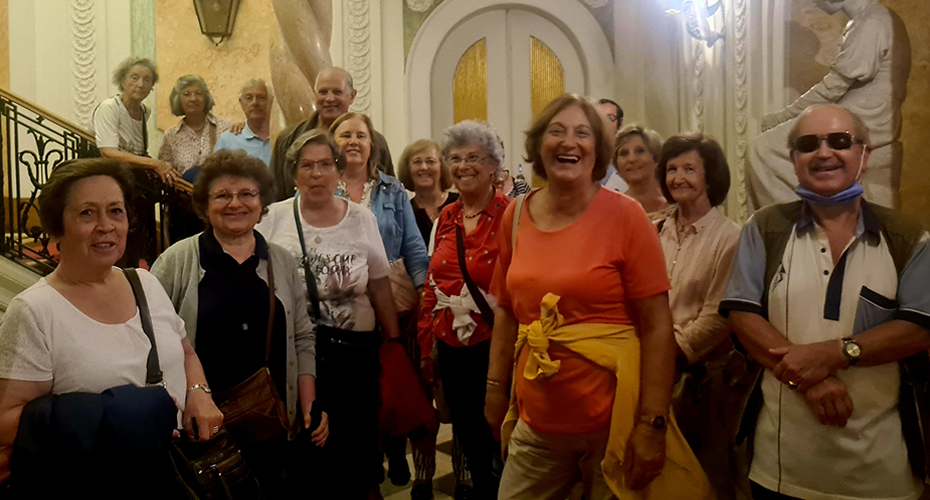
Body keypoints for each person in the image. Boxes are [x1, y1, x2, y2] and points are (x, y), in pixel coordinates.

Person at [485, 94, 711, 500]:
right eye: (556, 131)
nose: (568, 142)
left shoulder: (627, 216)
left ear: (598, 150)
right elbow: (506, 311)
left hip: (614, 423)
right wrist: (493, 387)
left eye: (582, 133)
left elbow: (658, 326)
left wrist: (652, 424)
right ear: (539, 145)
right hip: (537, 419)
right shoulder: (515, 215)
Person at [720, 104, 930, 500]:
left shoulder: (908, 237)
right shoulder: (763, 228)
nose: (824, 153)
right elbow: (742, 315)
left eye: (840, 141)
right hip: (780, 468)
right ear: (794, 161)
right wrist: (809, 379)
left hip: (881, 472)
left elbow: (919, 328)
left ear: (864, 155)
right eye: (808, 144)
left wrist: (837, 352)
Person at [0, 158, 221, 498]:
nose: (106, 226)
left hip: (171, 472)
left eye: (115, 211)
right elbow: (7, 421)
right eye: (87, 213)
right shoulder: (35, 311)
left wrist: (199, 393)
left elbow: (186, 353)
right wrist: (121, 420)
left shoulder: (145, 283)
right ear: (57, 228)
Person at [150, 150, 325, 498]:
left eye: (247, 194)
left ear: (261, 203)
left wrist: (308, 403)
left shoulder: (280, 261)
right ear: (204, 205)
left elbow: (302, 337)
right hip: (202, 429)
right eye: (223, 195)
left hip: (269, 422)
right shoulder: (177, 261)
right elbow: (153, 340)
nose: (235, 203)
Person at [256, 129, 401, 500]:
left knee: (355, 447)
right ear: (294, 173)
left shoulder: (361, 218)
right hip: (297, 356)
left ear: (338, 170)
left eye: (325, 164)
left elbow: (379, 285)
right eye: (307, 166)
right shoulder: (273, 218)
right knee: (309, 448)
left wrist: (395, 341)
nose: (316, 174)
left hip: (355, 357)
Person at [416, 121, 511, 500]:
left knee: (500, 435)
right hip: (451, 346)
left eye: (474, 157)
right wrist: (427, 348)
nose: (463, 166)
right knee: (468, 434)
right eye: (455, 158)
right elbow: (431, 284)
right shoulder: (447, 216)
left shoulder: (512, 215)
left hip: (497, 345)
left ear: (493, 166)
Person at [747, 0, 911, 210]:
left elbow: (833, 87)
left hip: (866, 119)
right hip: (860, 115)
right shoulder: (868, 19)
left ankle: (797, 221)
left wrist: (784, 116)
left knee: (763, 150)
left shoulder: (872, 22)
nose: (815, 3)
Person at [654, 133, 741, 500]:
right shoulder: (653, 229)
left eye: (690, 169)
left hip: (701, 382)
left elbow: (721, 315)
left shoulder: (731, 237)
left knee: (704, 478)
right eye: (672, 169)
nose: (678, 178)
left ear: (710, 177)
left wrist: (668, 352)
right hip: (650, 371)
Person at [91, 57, 176, 266]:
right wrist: (155, 164)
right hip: (108, 173)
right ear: (122, 82)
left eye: (147, 80)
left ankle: (141, 262)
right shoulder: (110, 108)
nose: (140, 84)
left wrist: (159, 166)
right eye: (134, 78)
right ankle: (122, 264)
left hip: (132, 174)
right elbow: (108, 152)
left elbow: (138, 150)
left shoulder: (145, 111)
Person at [270, 67, 394, 200]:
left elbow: (389, 192)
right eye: (323, 92)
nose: (329, 98)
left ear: (352, 96)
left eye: (337, 92)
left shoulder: (375, 142)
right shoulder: (288, 139)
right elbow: (273, 192)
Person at [158, 75, 232, 175]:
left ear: (206, 98)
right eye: (186, 94)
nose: (193, 99)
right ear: (178, 100)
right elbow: (165, 172)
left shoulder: (225, 128)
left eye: (199, 94)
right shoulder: (171, 136)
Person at [398, 139, 459, 245]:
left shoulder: (460, 203)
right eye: (417, 162)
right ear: (408, 169)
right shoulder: (405, 212)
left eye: (430, 161)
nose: (423, 167)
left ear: (442, 167)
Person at [614, 124, 673, 221]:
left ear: (656, 158)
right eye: (624, 154)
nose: (631, 159)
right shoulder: (612, 210)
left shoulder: (678, 204)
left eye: (640, 151)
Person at [214, 79, 275, 166]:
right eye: (249, 98)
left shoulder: (282, 139)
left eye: (261, 98)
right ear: (241, 103)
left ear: (271, 101)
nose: (255, 103)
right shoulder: (228, 141)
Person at [597, 98, 628, 193]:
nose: (604, 123)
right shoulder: (584, 157)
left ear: (620, 123)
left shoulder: (628, 158)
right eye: (599, 118)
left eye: (610, 118)